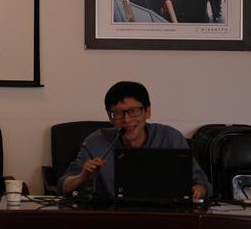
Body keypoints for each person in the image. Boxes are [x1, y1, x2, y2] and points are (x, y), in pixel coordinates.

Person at [58, 81, 211, 201]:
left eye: (133, 111)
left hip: (165, 215)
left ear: (147, 112)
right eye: (118, 113)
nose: (126, 119)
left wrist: (198, 190)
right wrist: (82, 177)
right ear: (110, 117)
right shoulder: (95, 142)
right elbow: (63, 187)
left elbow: (203, 184)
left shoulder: (170, 138)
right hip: (113, 218)